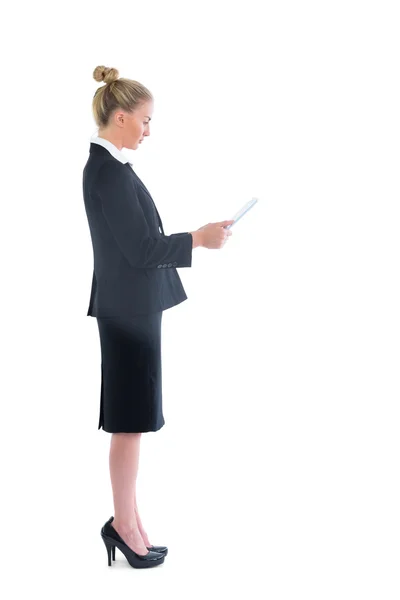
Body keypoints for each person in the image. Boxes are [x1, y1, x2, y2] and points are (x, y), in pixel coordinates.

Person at [82, 65, 234, 569]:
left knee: (135, 418)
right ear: (121, 117)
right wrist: (198, 239)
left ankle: (128, 518)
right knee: (129, 420)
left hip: (133, 309)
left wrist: (196, 238)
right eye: (145, 121)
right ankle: (123, 525)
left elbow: (138, 248)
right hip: (127, 312)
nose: (149, 130)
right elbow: (142, 249)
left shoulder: (112, 168)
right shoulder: (106, 171)